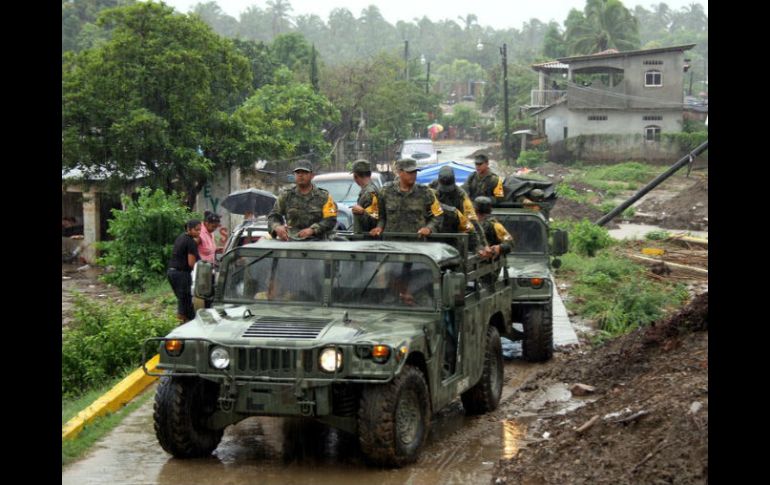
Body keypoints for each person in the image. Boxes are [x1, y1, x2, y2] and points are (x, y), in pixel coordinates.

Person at [370, 158, 443, 238]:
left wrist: (429, 228)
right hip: (392, 243)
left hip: (416, 244)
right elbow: (380, 216)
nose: (413, 175)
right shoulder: (386, 192)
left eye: (415, 172)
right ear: (399, 172)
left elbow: (438, 214)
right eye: (409, 172)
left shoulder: (425, 192)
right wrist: (379, 227)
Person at [268, 160, 338, 241]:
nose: (301, 175)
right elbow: (273, 216)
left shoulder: (324, 196)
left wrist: (313, 230)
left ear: (312, 175)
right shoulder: (286, 195)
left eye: (305, 172)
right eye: (298, 173)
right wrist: (277, 227)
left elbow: (330, 219)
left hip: (318, 241)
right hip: (292, 240)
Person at [429, 166, 490, 256]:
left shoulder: (461, 195)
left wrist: (483, 245)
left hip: (452, 235)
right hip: (432, 233)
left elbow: (473, 221)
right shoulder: (430, 189)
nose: (446, 191)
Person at [167, 220, 201, 323]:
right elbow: (191, 263)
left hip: (171, 272)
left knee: (182, 299)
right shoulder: (190, 242)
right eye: (196, 230)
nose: (199, 232)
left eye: (200, 230)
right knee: (185, 299)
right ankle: (184, 323)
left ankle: (184, 321)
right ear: (189, 229)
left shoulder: (181, 238)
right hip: (181, 274)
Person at [349, 159, 380, 233]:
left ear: (355, 176)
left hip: (367, 240)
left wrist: (362, 213)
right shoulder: (369, 190)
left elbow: (374, 222)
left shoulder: (369, 193)